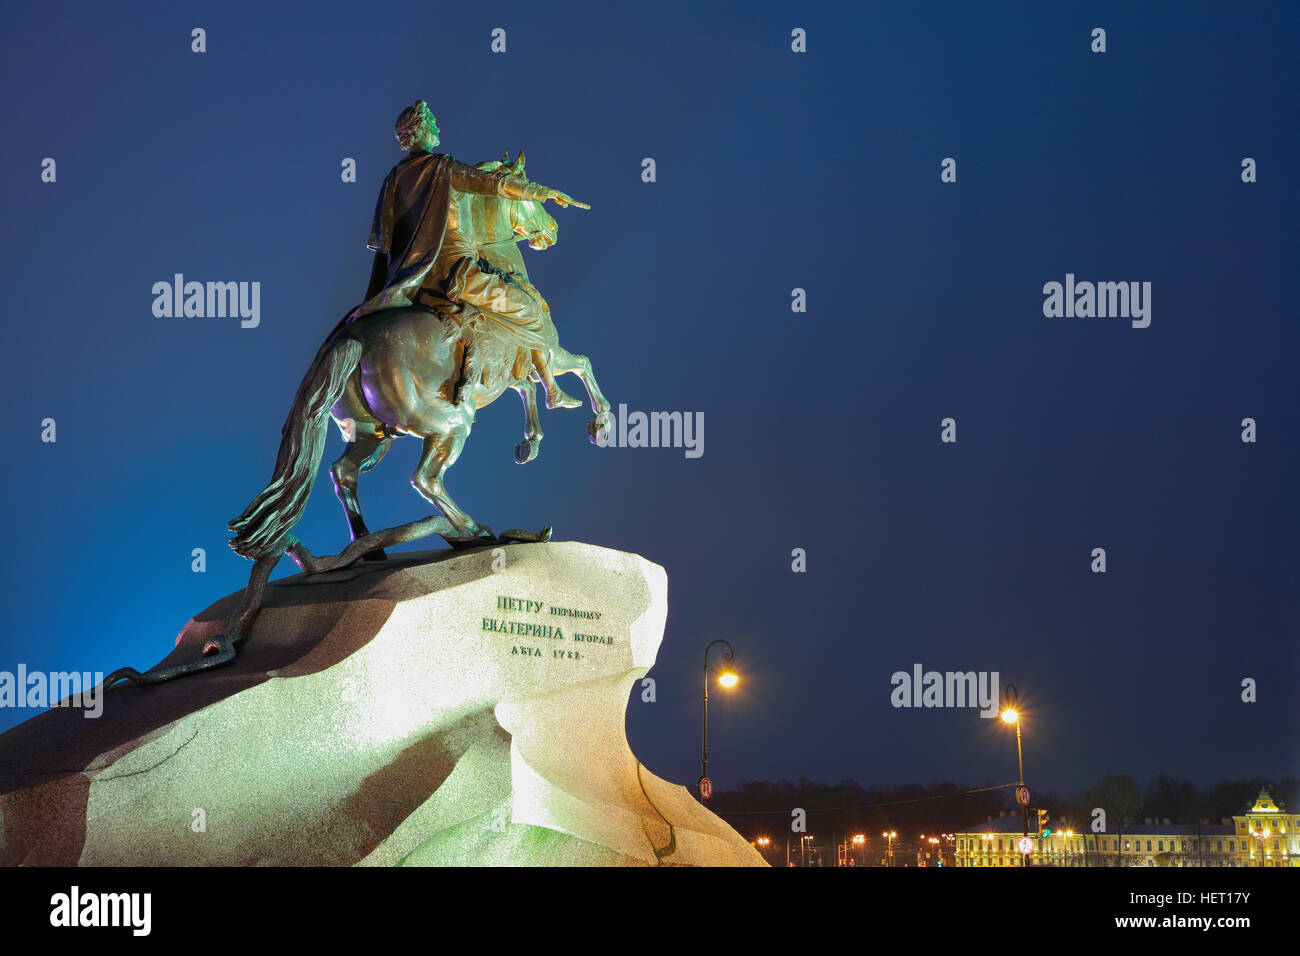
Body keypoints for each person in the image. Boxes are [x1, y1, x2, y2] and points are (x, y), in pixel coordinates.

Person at [348, 100, 588, 408]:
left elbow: (382, 249)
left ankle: (545, 387)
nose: (438, 127)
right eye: (432, 123)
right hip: (456, 275)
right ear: (419, 131)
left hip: (410, 282)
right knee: (530, 312)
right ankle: (546, 384)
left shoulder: (392, 180)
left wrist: (375, 300)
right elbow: (492, 183)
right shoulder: (440, 167)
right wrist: (543, 193)